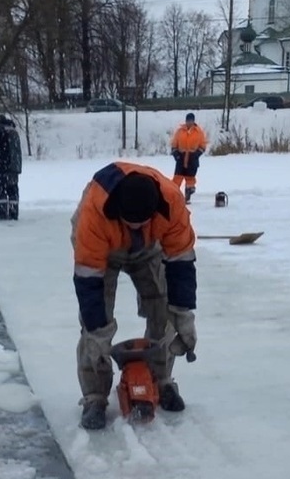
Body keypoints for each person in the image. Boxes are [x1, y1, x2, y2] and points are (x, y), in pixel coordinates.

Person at [70, 161, 198, 430]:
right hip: (102, 250)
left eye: (144, 222)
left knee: (163, 306)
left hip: (150, 247)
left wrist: (184, 315)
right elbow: (88, 281)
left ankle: (161, 380)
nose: (137, 227)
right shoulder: (92, 216)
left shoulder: (172, 203)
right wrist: (97, 332)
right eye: (132, 223)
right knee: (96, 323)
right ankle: (94, 396)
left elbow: (181, 263)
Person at [170, 112, 208, 204]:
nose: (189, 122)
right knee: (177, 179)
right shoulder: (179, 131)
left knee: (190, 179)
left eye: (191, 120)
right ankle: (173, 197)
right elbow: (174, 144)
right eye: (188, 120)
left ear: (193, 121)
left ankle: (188, 195)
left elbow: (203, 146)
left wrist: (196, 154)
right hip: (181, 157)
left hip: (192, 158)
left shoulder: (199, 132)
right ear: (185, 121)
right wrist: (176, 154)